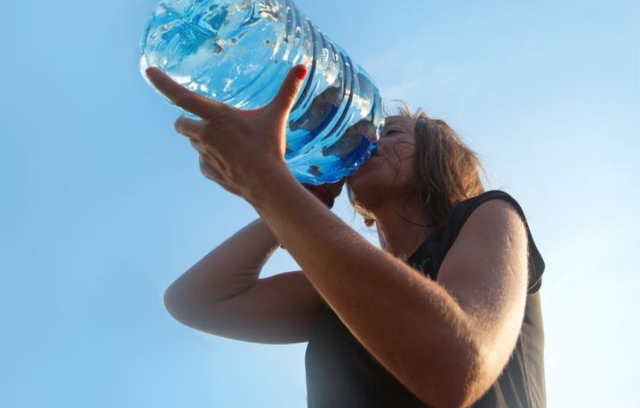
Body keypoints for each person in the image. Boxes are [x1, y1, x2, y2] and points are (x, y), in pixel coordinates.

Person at [147, 65, 546, 407]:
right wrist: (297, 195)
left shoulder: (489, 213)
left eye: (392, 133)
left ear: (436, 157)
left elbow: (456, 364)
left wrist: (265, 180)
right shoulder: (342, 290)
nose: (370, 141)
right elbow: (194, 301)